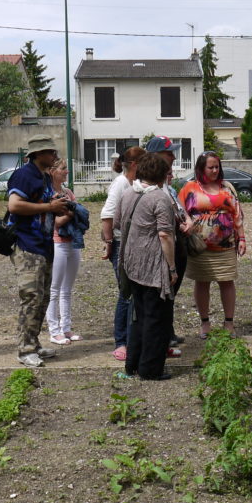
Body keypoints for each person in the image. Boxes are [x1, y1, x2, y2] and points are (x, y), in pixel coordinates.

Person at [6, 135, 71, 367]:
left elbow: (42, 204)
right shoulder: (24, 175)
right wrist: (49, 206)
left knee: (41, 298)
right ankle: (25, 350)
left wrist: (55, 202)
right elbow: (14, 205)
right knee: (31, 296)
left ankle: (33, 343)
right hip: (27, 245)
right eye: (50, 152)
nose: (54, 156)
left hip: (43, 244)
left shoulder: (42, 177)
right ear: (38, 154)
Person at [115, 153, 178, 380]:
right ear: (161, 175)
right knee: (156, 318)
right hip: (152, 265)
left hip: (131, 263)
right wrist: (172, 268)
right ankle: (150, 369)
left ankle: (132, 364)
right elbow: (165, 235)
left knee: (139, 315)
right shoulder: (160, 198)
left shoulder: (129, 193)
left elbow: (117, 222)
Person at [179, 151, 246, 337]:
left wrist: (242, 238)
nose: (215, 170)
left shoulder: (227, 187)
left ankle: (229, 323)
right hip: (200, 247)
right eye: (211, 167)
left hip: (226, 246)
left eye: (217, 166)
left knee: (227, 282)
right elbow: (179, 211)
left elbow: (237, 215)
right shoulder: (190, 188)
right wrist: (186, 225)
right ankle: (205, 323)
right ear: (201, 168)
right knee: (202, 283)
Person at [144, 135, 194, 357]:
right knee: (159, 300)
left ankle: (166, 336)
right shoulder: (148, 187)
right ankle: (157, 345)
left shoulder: (166, 186)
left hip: (177, 247)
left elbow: (180, 210)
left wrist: (187, 222)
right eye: (168, 152)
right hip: (160, 253)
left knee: (169, 297)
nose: (173, 156)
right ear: (155, 155)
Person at [101, 146, 145, 361]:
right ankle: (121, 341)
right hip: (120, 243)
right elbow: (107, 215)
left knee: (133, 294)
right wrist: (109, 243)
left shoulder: (134, 183)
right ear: (135, 165)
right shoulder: (120, 183)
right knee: (125, 294)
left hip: (132, 244)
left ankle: (133, 339)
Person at [44, 159, 88, 346]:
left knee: (67, 289)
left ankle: (66, 328)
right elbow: (54, 223)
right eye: (63, 169)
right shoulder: (47, 194)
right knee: (54, 288)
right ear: (52, 171)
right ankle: (54, 331)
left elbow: (79, 215)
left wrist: (70, 213)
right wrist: (70, 213)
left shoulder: (67, 193)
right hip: (57, 243)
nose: (67, 172)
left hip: (72, 243)